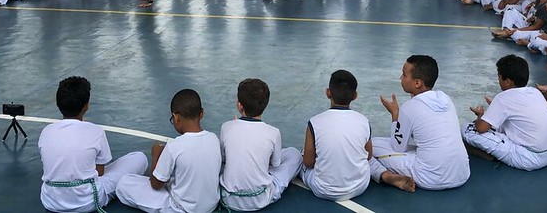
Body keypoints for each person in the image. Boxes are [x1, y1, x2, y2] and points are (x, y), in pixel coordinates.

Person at [39, 76, 148, 213]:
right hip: (88, 201)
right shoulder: (95, 131)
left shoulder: (46, 131)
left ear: (58, 103)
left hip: (51, 201)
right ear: (86, 106)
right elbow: (100, 172)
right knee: (139, 158)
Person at [371, 55, 469, 191]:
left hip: (430, 177)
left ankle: (386, 176)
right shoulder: (445, 98)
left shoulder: (409, 107)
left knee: (372, 145)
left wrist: (395, 114)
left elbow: (398, 148)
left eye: (404, 75)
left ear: (417, 83)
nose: (400, 78)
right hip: (461, 174)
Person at [116, 89, 221, 213]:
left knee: (124, 183)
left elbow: (155, 185)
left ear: (176, 118)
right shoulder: (214, 139)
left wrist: (156, 156)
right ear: (202, 113)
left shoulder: (174, 146)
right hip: (210, 206)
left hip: (180, 208)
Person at [463, 54, 547, 171]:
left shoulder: (503, 98)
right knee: (504, 124)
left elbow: (481, 128)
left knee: (467, 129)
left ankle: (494, 157)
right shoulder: (534, 92)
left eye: (499, 77)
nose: (498, 80)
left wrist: (481, 116)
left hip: (531, 158)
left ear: (508, 81)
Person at [219, 79, 302, 211]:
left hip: (229, 198)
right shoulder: (273, 132)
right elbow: (275, 164)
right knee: (294, 154)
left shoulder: (227, 127)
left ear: (239, 106)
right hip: (261, 199)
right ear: (265, 106)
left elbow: (223, 160)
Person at [300, 70, 377, 201]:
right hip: (359, 187)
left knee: (298, 157)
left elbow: (308, 163)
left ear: (328, 92)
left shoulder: (314, 122)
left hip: (323, 189)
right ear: (355, 96)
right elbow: (368, 155)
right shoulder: (364, 121)